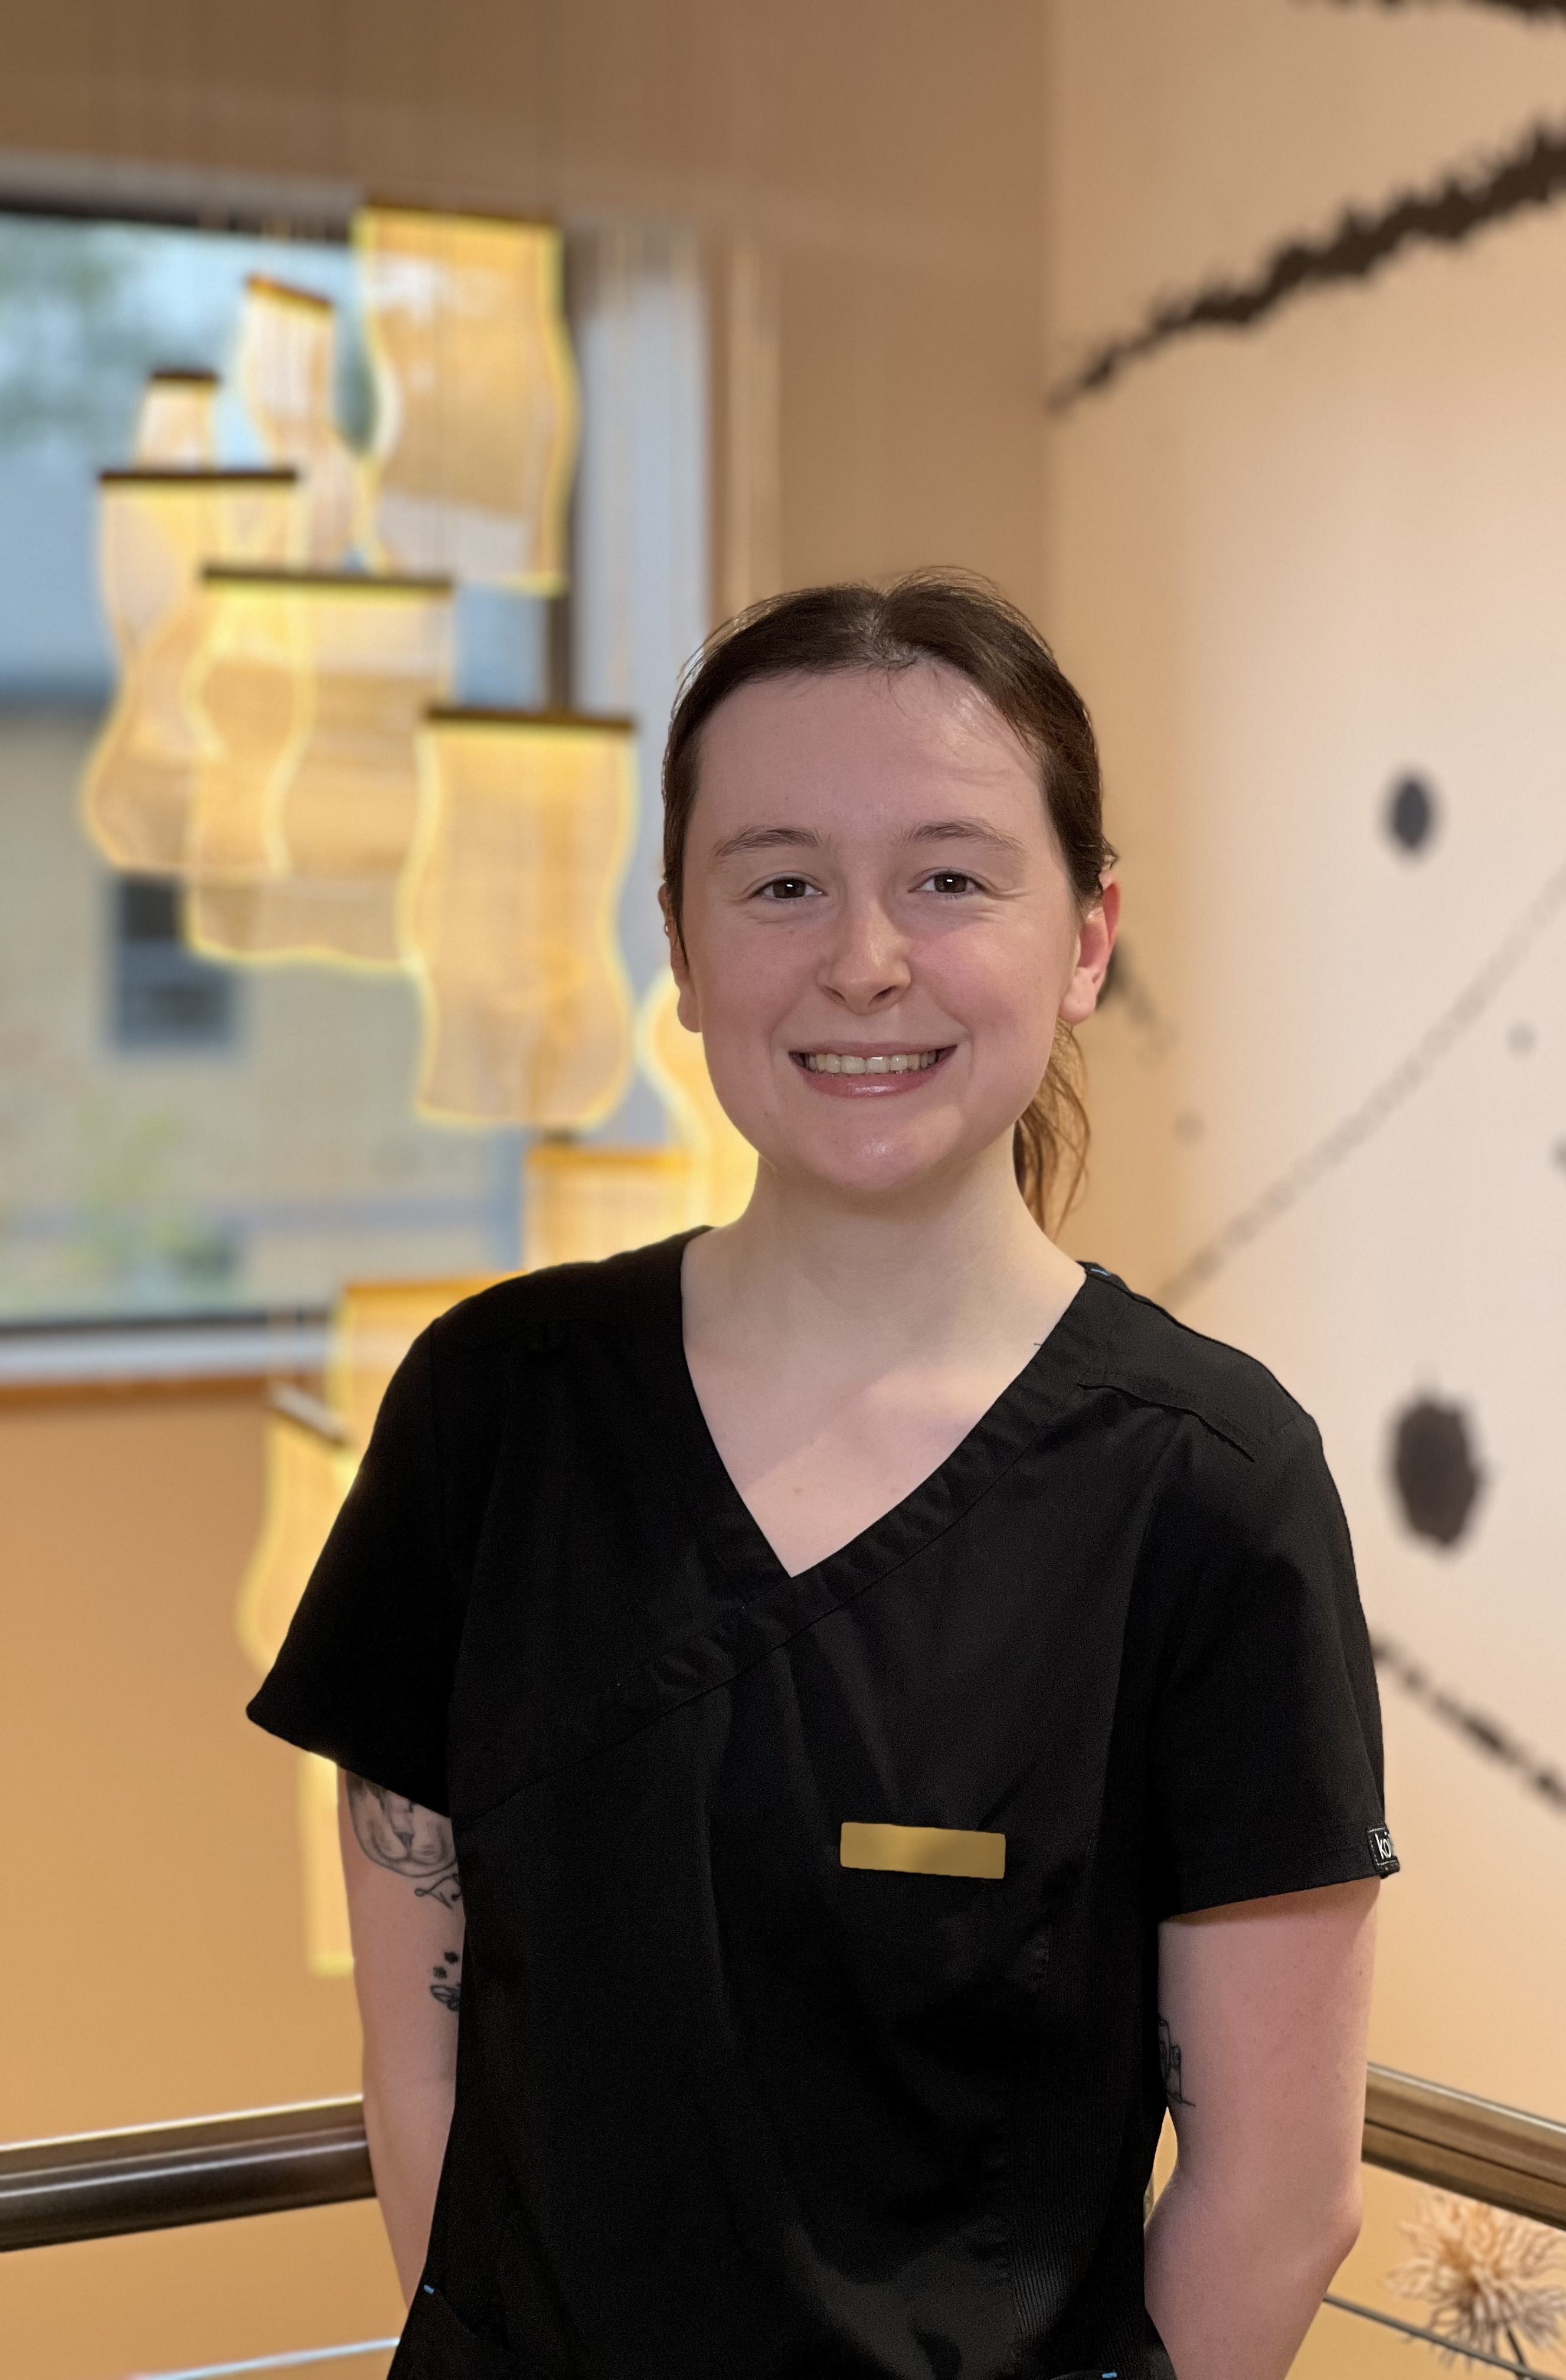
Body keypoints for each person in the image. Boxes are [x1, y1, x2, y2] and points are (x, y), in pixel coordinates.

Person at [249, 573, 1397, 2380]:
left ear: (1087, 937)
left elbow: (1278, 2197)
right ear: (683, 948)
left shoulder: (1208, 1488)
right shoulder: (496, 1410)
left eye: (950, 879)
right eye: (780, 884)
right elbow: (424, 2064)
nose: (865, 959)